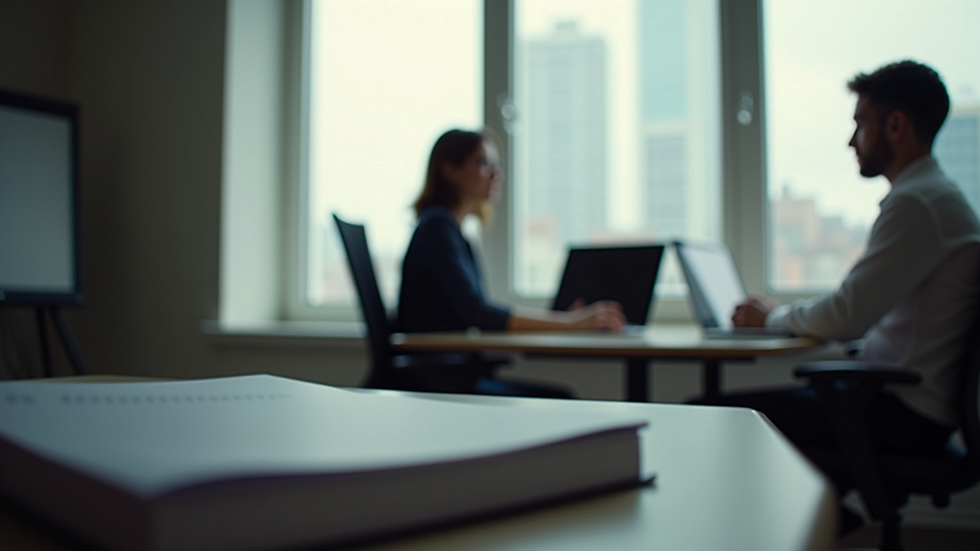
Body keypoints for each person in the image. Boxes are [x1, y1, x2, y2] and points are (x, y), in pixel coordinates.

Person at [696, 60, 980, 534]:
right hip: (904, 404)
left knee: (707, 418)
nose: (852, 141)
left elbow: (846, 315)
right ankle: (821, 524)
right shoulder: (935, 199)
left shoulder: (918, 204)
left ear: (895, 125)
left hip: (900, 413)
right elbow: (859, 307)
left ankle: (816, 528)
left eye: (859, 125)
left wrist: (770, 317)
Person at [397, 128, 626, 334]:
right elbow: (477, 313)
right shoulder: (437, 228)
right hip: (439, 375)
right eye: (484, 163)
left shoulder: (451, 231)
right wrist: (569, 323)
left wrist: (566, 320)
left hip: (453, 369)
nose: (497, 174)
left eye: (497, 165)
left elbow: (476, 312)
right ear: (450, 170)